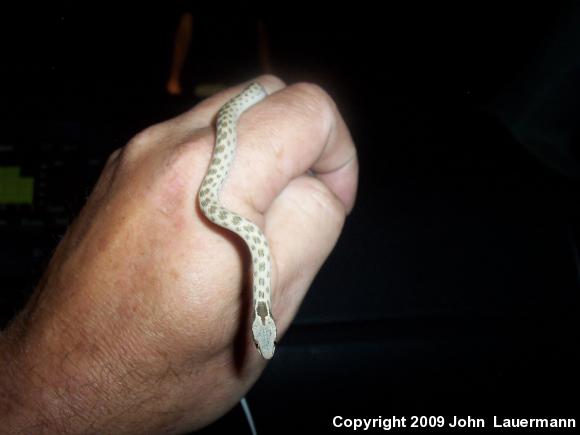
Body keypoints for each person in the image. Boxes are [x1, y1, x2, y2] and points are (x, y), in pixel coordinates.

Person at [0, 75, 358, 433]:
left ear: (260, 321)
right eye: (264, 340)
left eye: (262, 339)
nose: (260, 347)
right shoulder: (255, 272)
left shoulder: (259, 286)